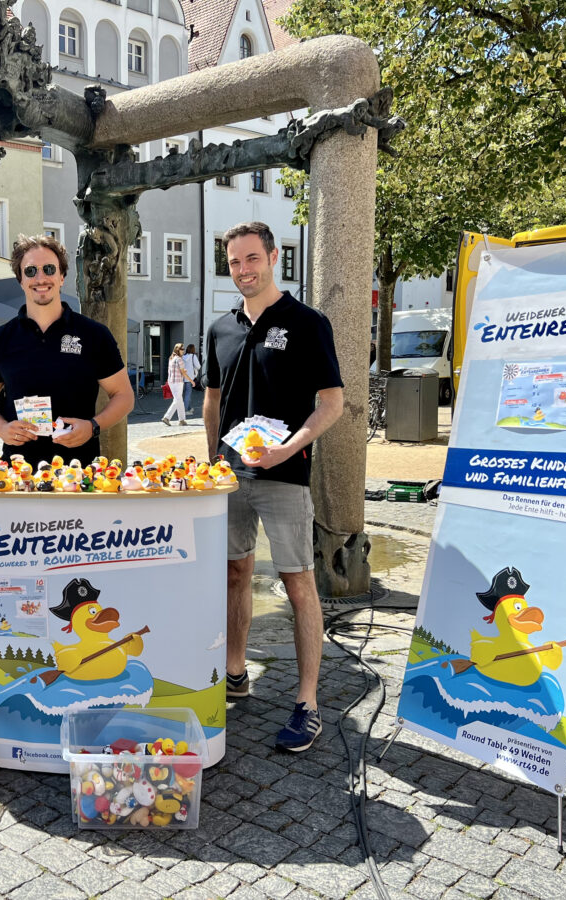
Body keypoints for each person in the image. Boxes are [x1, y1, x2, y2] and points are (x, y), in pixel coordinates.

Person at [203, 222, 343, 753]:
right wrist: (212, 460)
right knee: (234, 572)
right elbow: (213, 402)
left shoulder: (308, 323)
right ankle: (234, 674)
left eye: (251, 259)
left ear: (275, 256)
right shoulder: (219, 327)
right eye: (235, 261)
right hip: (231, 478)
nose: (244, 270)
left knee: (298, 583)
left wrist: (290, 447)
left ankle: (307, 703)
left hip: (285, 475)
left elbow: (330, 402)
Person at [0, 234, 134, 465]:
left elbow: (124, 396)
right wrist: (2, 428)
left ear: (62, 276)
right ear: (20, 280)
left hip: (79, 473)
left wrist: (92, 426)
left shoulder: (94, 335)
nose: (40, 278)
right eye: (30, 271)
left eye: (49, 269)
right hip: (18, 474)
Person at [161, 342, 193, 426]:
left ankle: (182, 420)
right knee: (177, 400)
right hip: (178, 382)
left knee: (179, 400)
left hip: (171, 382)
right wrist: (191, 381)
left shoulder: (171, 358)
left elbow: (171, 371)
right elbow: (183, 373)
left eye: (183, 349)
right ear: (178, 350)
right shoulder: (179, 359)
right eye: (182, 349)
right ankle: (167, 417)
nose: (183, 350)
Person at [182, 343, 201, 414]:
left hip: (183, 378)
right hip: (190, 378)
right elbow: (198, 366)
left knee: (187, 393)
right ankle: (185, 410)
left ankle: (189, 408)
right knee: (188, 394)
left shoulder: (183, 356)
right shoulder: (193, 356)